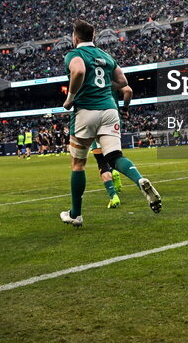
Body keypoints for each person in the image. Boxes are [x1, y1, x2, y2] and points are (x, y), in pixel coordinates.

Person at [60, 19, 161, 228]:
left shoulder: (75, 54)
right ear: (93, 37)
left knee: (78, 164)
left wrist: (70, 98)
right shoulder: (106, 56)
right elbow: (123, 82)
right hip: (109, 110)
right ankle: (139, 179)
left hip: (86, 111)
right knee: (115, 157)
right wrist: (105, 86)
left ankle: (75, 214)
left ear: (76, 37)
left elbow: (78, 71)